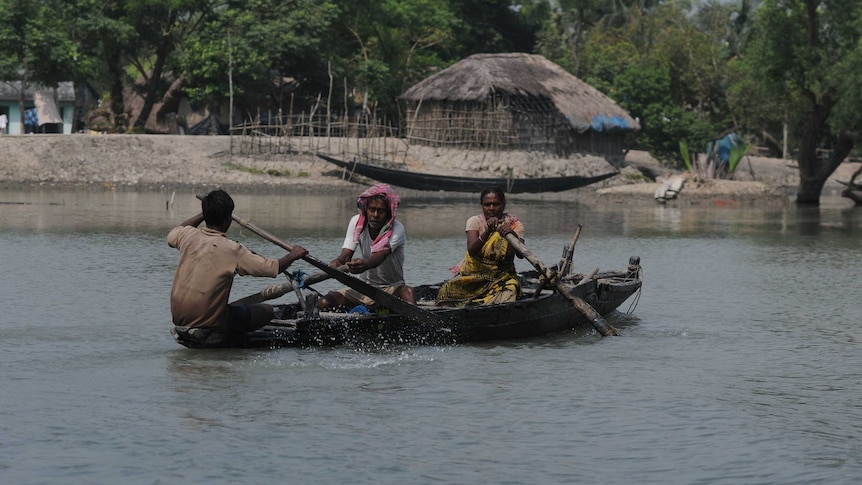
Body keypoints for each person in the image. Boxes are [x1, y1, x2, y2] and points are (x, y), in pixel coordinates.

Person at [167, 189, 307, 344]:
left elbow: (177, 230)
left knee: (230, 308)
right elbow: (272, 268)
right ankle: (228, 334)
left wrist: (206, 213)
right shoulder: (233, 249)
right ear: (228, 219)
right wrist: (293, 255)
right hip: (209, 324)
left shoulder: (188, 236)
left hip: (179, 319)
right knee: (267, 311)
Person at [318, 183, 415, 311]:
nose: (375, 215)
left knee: (408, 292)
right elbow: (344, 258)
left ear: (388, 213)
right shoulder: (356, 223)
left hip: (391, 289)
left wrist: (365, 264)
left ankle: (417, 328)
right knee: (324, 302)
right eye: (372, 209)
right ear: (366, 209)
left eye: (381, 211)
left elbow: (379, 256)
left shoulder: (397, 229)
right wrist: (334, 267)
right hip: (363, 289)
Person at [436, 188, 525, 307]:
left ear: (503, 204)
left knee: (510, 291)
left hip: (502, 278)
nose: (492, 208)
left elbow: (521, 255)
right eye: (487, 205)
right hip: (473, 277)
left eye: (496, 204)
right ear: (482, 205)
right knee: (446, 290)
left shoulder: (514, 224)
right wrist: (487, 231)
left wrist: (512, 234)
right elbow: (472, 251)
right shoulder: (475, 221)